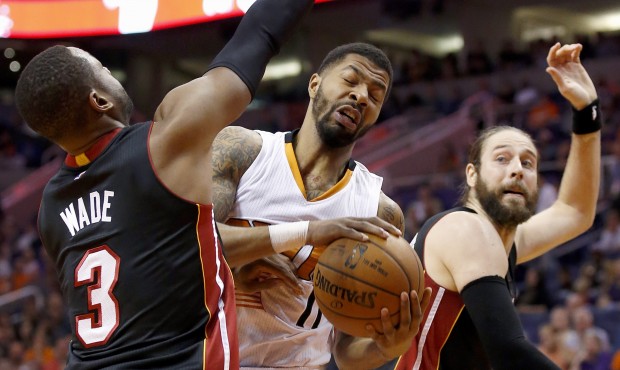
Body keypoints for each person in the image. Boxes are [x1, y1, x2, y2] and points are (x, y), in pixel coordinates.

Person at [13, 0, 314, 368]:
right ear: (99, 100)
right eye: (103, 69)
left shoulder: (49, 209)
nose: (111, 74)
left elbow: (151, 265)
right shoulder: (163, 145)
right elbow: (259, 37)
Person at [211, 42, 432, 369]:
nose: (361, 96)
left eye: (375, 94)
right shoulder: (241, 150)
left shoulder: (379, 211)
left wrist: (387, 348)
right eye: (351, 80)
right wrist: (306, 233)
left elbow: (345, 352)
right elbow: (187, 245)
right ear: (314, 84)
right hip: (212, 358)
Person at [393, 42, 601, 369]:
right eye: (502, 158)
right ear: (472, 175)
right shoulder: (463, 229)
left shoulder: (501, 242)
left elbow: (575, 211)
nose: (517, 168)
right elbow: (509, 351)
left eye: (528, 163)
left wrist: (587, 112)